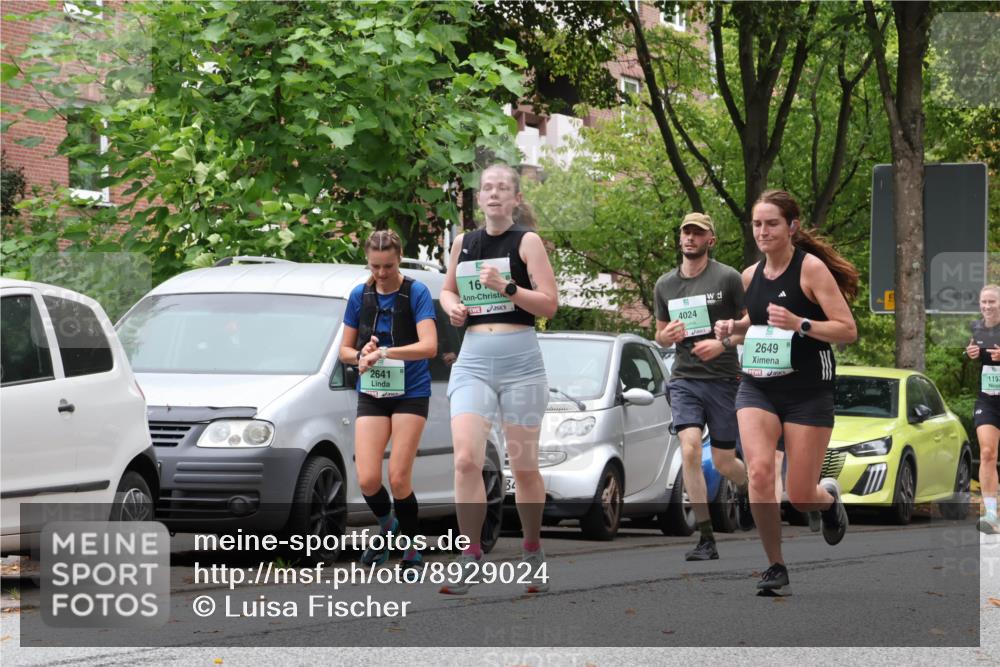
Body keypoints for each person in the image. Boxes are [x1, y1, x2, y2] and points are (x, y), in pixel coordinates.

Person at [714, 189, 858, 594]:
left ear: (792, 226)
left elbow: (847, 329)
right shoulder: (749, 276)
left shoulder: (810, 270)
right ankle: (775, 565)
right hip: (758, 385)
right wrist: (732, 329)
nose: (763, 231)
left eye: (772, 223)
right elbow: (755, 323)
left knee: (799, 494)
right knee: (759, 472)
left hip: (808, 389)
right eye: (757, 224)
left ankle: (827, 500)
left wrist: (800, 323)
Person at [438, 163, 559, 595]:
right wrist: (452, 305)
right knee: (466, 460)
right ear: (479, 196)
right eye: (487, 188)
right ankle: (470, 554)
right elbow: (448, 289)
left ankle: (531, 550)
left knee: (523, 467)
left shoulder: (526, 242)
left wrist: (508, 288)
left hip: (521, 365)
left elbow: (548, 305)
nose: (493, 194)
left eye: (502, 188)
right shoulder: (462, 243)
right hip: (473, 362)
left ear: (515, 198)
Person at [339, 229, 438, 573]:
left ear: (399, 259)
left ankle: (411, 549)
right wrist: (361, 356)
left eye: (388, 266)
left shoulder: (416, 292)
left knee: (398, 477)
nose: (381, 273)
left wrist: (386, 351)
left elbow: (429, 346)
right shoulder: (359, 294)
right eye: (375, 266)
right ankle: (388, 527)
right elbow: (344, 350)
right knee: (367, 478)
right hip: (373, 392)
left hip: (411, 392)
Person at [654, 212, 750, 561]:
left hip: (724, 379)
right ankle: (706, 538)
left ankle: (748, 486)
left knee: (725, 462)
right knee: (690, 450)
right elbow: (660, 334)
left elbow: (751, 324)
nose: (690, 238)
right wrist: (666, 336)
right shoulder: (665, 284)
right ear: (679, 238)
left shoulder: (728, 278)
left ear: (711, 239)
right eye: (686, 233)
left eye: (698, 233)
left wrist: (722, 342)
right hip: (684, 379)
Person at [966, 284, 1000, 534]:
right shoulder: (976, 327)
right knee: (987, 453)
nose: (987, 306)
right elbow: (974, 351)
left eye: (992, 302)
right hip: (988, 399)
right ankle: (991, 514)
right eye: (984, 302)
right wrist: (972, 352)